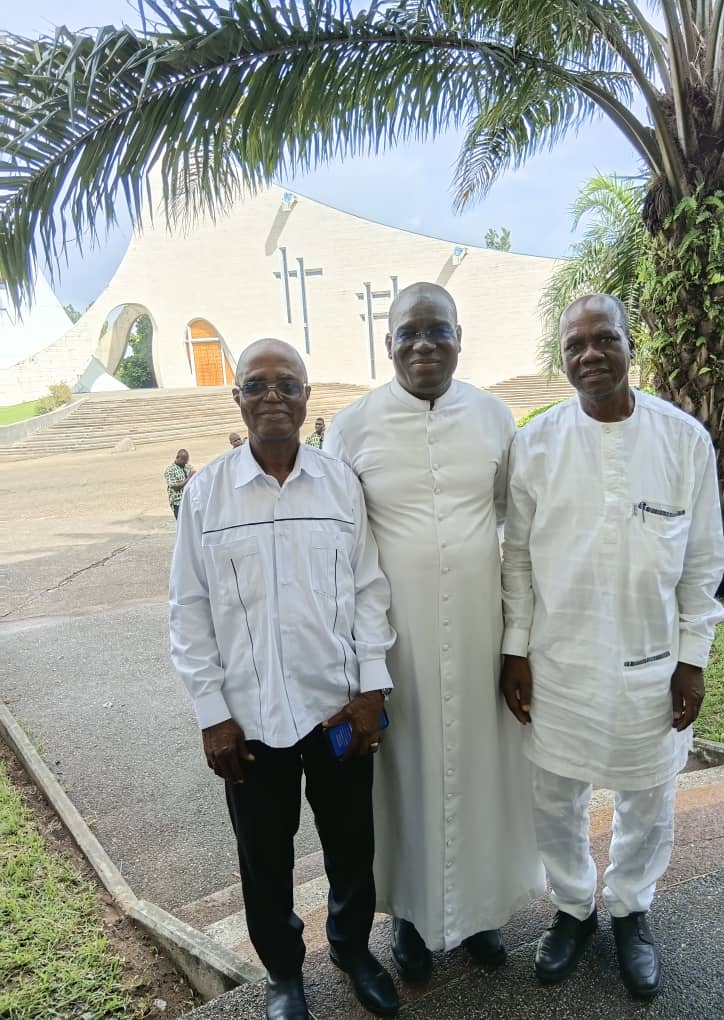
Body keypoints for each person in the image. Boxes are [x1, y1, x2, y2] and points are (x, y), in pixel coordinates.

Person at [501, 294, 724, 1000]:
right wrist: (515, 650)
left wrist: (692, 656)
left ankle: (630, 909)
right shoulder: (533, 444)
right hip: (557, 661)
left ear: (633, 345)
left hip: (648, 664)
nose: (589, 354)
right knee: (555, 796)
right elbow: (516, 562)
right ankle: (573, 907)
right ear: (561, 356)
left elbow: (701, 560)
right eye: (574, 344)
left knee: (646, 795)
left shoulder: (682, 439)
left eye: (604, 339)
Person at [169, 339, 399, 1020]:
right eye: (257, 384)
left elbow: (368, 591)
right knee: (263, 858)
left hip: (336, 711)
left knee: (351, 845)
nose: (273, 396)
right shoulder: (208, 493)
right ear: (235, 398)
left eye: (287, 384)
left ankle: (354, 952)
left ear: (307, 398)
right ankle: (283, 976)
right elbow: (187, 609)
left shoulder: (338, 485)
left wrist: (371, 689)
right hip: (249, 719)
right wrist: (211, 712)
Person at [325, 283, 544, 979]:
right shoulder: (353, 426)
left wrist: (516, 643)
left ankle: (480, 915)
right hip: (398, 646)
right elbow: (341, 552)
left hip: (481, 633)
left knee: (483, 776)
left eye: (436, 331)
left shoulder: (492, 416)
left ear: (458, 336)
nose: (423, 346)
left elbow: (517, 534)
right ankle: (413, 924)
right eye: (407, 333)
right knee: (402, 784)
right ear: (386, 342)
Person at [164, 449, 194, 519]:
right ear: (177, 457)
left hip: (190, 501)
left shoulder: (188, 467)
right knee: (182, 526)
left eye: (187, 460)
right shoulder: (170, 470)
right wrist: (189, 478)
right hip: (178, 503)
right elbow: (175, 487)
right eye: (183, 460)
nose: (185, 462)